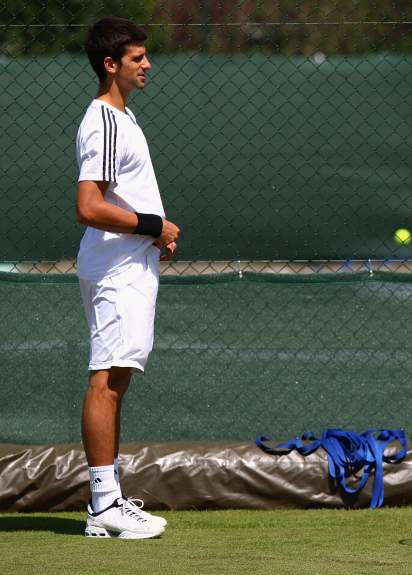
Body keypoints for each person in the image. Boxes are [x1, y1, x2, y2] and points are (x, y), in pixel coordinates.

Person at [75, 17, 180, 539]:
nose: (148, 65)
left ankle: (109, 495)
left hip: (130, 262)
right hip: (115, 267)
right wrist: (153, 225)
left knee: (117, 379)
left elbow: (120, 198)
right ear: (111, 65)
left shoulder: (126, 119)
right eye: (137, 58)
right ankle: (102, 507)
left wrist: (153, 235)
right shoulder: (104, 121)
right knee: (106, 379)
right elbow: (89, 206)